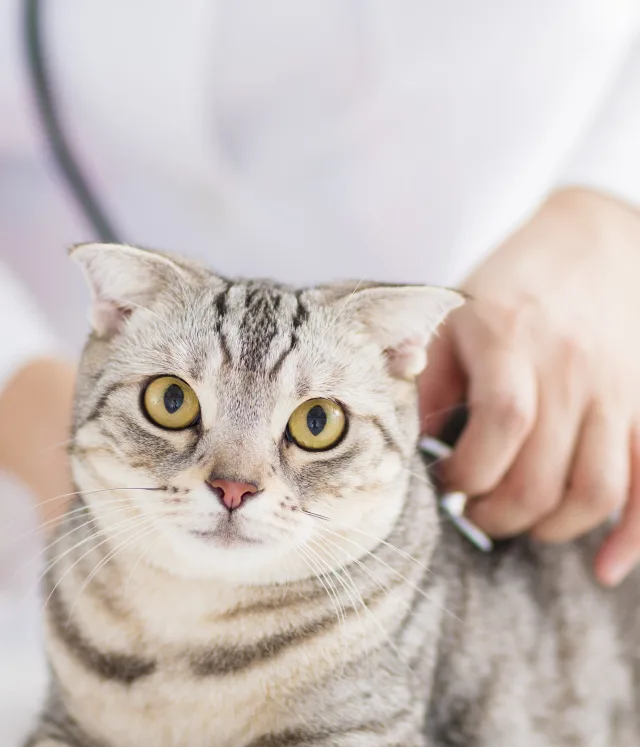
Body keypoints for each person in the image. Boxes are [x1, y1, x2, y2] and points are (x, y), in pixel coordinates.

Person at [1, 0, 640, 585]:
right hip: (69, 470)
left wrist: (609, 209)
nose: (235, 484)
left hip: (554, 335)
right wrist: (38, 411)